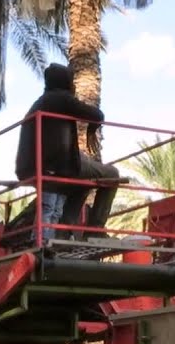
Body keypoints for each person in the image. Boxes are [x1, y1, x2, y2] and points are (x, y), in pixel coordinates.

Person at [14, 63, 121, 242]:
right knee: (112, 175)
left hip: (34, 165)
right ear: (65, 81)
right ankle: (94, 229)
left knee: (84, 183)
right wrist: (92, 128)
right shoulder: (61, 98)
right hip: (55, 164)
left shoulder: (40, 102)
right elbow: (97, 114)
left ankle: (65, 229)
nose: (74, 86)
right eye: (72, 81)